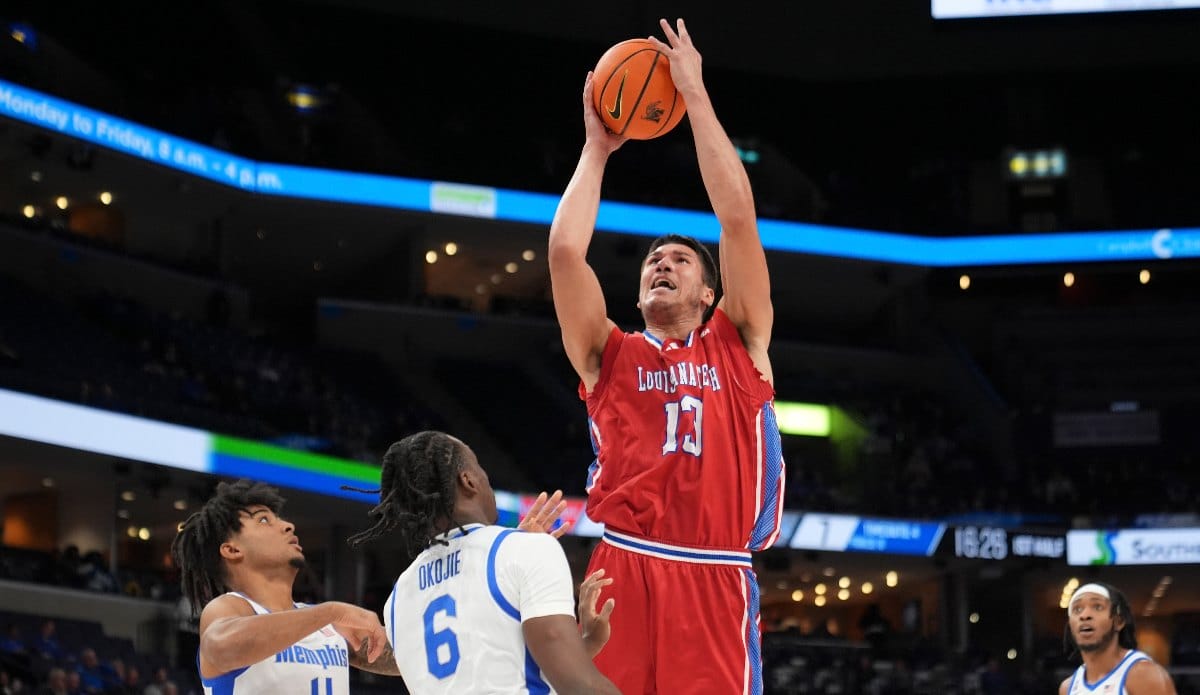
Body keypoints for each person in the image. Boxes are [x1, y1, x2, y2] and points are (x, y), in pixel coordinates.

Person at [547, 17, 785, 693]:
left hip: (713, 573)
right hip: (621, 563)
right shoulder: (609, 353)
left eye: (680, 259)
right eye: (654, 259)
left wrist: (695, 96)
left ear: (709, 292)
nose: (662, 264)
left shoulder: (739, 342)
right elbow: (565, 253)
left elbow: (738, 218)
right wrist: (597, 149)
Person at [346, 430, 621, 694]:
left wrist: (587, 644)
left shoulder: (398, 597)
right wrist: (521, 551)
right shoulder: (523, 549)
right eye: (479, 467)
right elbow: (579, 686)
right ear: (468, 481)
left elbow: (490, 662)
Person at [170, 479, 395, 694]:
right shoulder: (228, 608)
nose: (288, 526)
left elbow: (411, 654)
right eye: (264, 520)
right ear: (232, 550)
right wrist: (332, 611)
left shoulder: (325, 625)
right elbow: (219, 649)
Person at [1060, 582, 1176, 695]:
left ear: (1118, 621)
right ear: (1070, 626)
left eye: (1097, 607)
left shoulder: (1144, 675)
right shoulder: (1067, 687)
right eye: (1077, 609)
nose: (1084, 615)